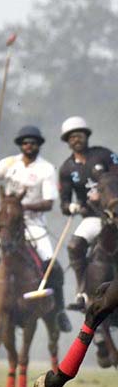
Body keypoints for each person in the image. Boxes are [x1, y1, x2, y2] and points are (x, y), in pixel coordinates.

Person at [0, 125, 71, 332]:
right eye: (25, 142)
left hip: (34, 224)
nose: (29, 146)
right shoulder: (9, 163)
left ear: (38, 145)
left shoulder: (47, 169)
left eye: (33, 142)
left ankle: (60, 312)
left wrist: (21, 207)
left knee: (53, 267)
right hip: (8, 226)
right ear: (21, 145)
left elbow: (49, 203)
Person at [58, 116, 118, 312]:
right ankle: (82, 291)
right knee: (75, 245)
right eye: (72, 137)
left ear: (86, 136)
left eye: (80, 135)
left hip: (116, 211)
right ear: (67, 141)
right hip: (93, 216)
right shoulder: (67, 168)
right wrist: (71, 207)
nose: (76, 139)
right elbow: (64, 202)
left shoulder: (103, 154)